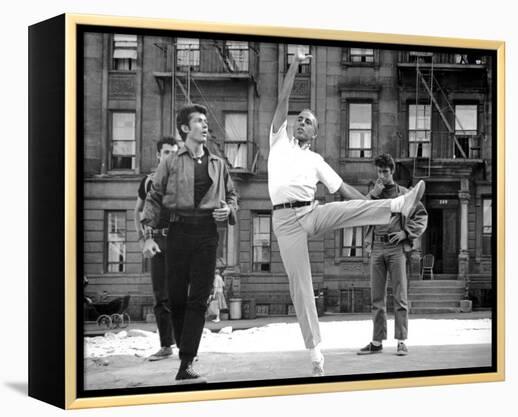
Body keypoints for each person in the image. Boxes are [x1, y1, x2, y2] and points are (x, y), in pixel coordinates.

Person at [268, 47, 425, 377]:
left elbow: (344, 192)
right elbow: (282, 100)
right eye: (300, 119)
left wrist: (371, 207)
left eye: (308, 121)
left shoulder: (316, 161)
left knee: (346, 207)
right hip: (285, 222)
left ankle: (399, 204)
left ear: (315, 132)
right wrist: (295, 65)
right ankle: (315, 352)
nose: (301, 122)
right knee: (301, 284)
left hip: (310, 212)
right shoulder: (278, 140)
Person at [141, 103, 239, 384]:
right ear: (185, 128)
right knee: (175, 297)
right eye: (198, 121)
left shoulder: (218, 164)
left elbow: (232, 196)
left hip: (207, 233)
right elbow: (154, 196)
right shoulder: (170, 161)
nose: (205, 125)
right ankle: (185, 352)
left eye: (206, 121)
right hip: (178, 231)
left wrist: (228, 211)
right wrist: (148, 235)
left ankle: (186, 360)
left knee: (199, 297)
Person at [357, 153, 428, 356]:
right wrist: (373, 194)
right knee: (376, 297)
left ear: (392, 171)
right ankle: (377, 342)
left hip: (397, 250)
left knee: (400, 295)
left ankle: (401, 341)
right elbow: (361, 212)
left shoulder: (404, 193)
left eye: (385, 172)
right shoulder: (374, 194)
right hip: (377, 248)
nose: (382, 175)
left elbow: (421, 216)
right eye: (379, 171)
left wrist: (406, 233)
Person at [134, 136, 178, 361]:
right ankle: (165, 346)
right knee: (161, 296)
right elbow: (138, 211)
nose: (171, 156)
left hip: (181, 242)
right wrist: (143, 240)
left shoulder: (184, 181)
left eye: (174, 152)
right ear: (159, 155)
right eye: (167, 152)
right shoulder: (148, 181)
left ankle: (187, 346)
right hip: (158, 243)